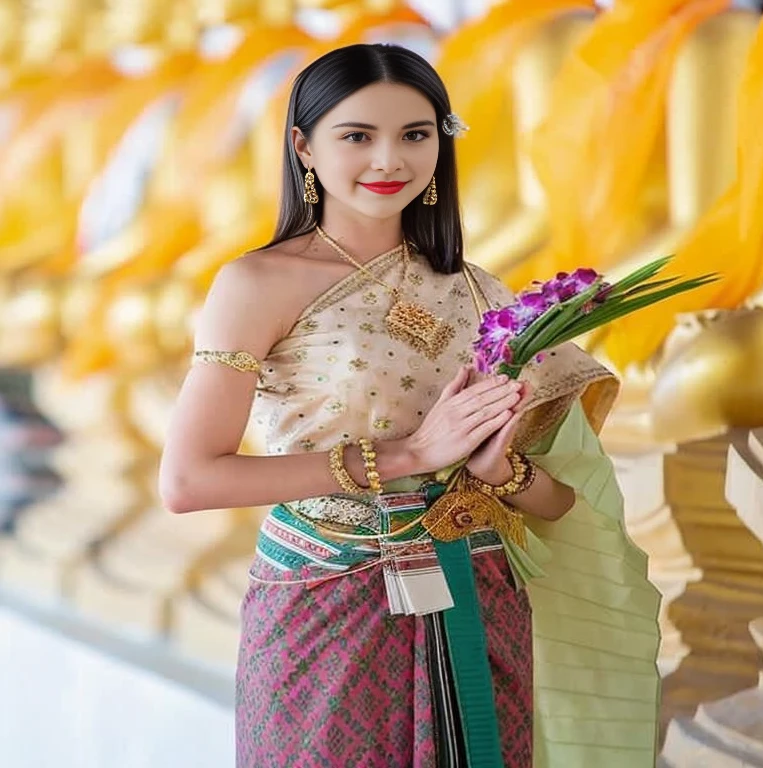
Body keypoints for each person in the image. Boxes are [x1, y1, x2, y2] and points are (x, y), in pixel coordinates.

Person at [159, 43, 661, 768]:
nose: (389, 160)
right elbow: (189, 481)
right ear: (303, 145)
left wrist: (498, 475)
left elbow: (558, 506)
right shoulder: (256, 284)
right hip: (326, 600)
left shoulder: (483, 295)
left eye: (415, 135)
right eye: (358, 136)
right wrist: (407, 457)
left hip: (478, 600)